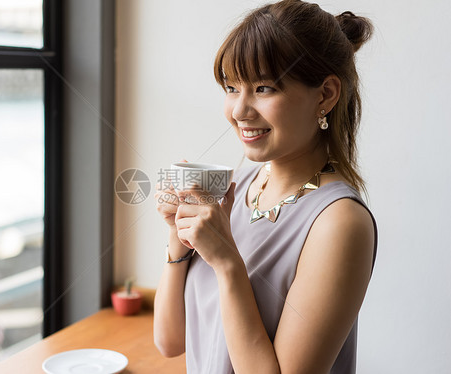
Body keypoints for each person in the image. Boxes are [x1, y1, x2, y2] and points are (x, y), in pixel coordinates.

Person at [153, 0, 377, 373]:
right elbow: (170, 340)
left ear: (325, 95)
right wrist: (179, 239)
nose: (239, 111)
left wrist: (227, 262)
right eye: (231, 87)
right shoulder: (234, 188)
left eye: (263, 88)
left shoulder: (339, 224)